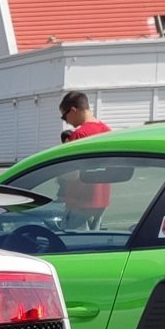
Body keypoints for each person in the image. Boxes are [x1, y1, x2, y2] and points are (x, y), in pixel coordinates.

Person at [58, 92, 112, 229]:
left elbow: (72, 173)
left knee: (73, 242)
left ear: (74, 110)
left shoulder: (80, 135)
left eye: (64, 116)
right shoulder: (107, 131)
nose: (66, 121)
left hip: (80, 199)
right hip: (102, 199)